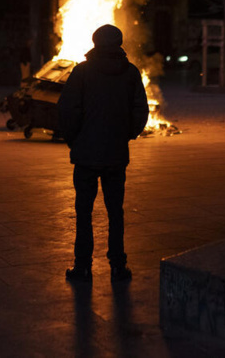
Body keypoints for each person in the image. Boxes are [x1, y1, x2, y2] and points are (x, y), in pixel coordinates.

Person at [57, 24, 149, 283]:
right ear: (119, 43)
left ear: (95, 42)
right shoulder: (130, 73)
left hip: (86, 156)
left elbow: (67, 110)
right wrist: (126, 135)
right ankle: (119, 267)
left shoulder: (81, 72)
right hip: (116, 156)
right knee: (115, 212)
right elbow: (140, 110)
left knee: (84, 213)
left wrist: (74, 139)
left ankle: (82, 267)